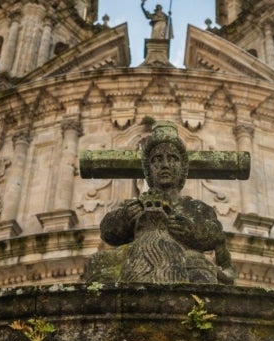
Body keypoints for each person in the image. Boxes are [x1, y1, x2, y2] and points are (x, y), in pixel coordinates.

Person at [100, 121, 235, 284]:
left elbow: (215, 236)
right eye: (157, 159)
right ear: (148, 169)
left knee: (199, 269)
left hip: (186, 265)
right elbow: (108, 232)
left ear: (182, 168)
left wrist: (191, 232)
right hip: (136, 262)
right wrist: (126, 217)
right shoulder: (137, 206)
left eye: (172, 159)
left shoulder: (195, 208)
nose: (165, 165)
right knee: (99, 262)